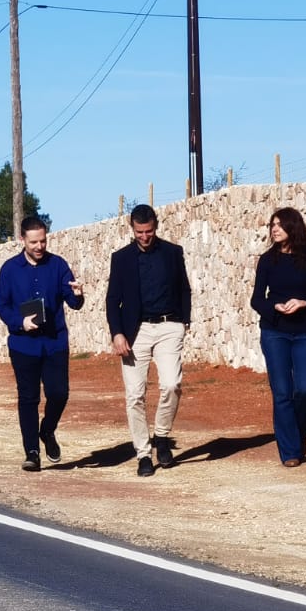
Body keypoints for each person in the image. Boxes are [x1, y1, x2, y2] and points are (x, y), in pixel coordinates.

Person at [105, 203, 191, 477]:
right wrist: (117, 333)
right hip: (135, 332)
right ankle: (144, 453)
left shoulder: (173, 253)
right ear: (132, 229)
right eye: (140, 232)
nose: (145, 236)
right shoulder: (121, 258)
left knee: (171, 384)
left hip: (169, 326)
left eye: (149, 231)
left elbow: (184, 288)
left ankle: (162, 436)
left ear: (157, 226)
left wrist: (183, 321)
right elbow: (112, 300)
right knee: (135, 395)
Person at [0, 215, 85, 471]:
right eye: (34, 242)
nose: (39, 247)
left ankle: (48, 430)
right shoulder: (9, 269)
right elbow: (1, 304)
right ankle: (32, 451)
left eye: (43, 241)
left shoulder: (58, 265)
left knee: (59, 393)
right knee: (28, 398)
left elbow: (73, 302)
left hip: (55, 342)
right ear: (22, 240)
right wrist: (20, 323)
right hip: (24, 345)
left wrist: (78, 295)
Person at [250, 206, 306, 467]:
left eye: (279, 225)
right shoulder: (267, 260)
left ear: (292, 228)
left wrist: (304, 303)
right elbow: (256, 300)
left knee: (305, 389)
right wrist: (273, 307)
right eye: (272, 225)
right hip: (275, 332)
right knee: (282, 392)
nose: (274, 229)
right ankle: (290, 451)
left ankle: (297, 437)